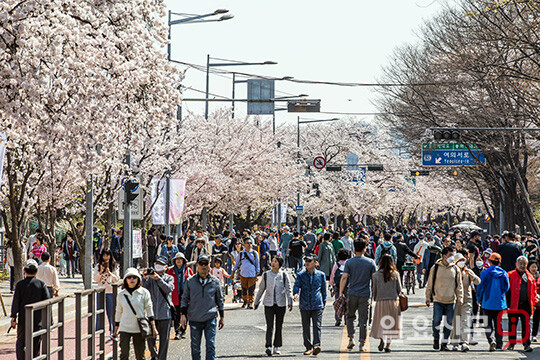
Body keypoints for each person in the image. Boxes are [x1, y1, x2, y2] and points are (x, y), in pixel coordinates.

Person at [180, 255, 225, 360]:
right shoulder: (190, 281)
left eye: (206, 264)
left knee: (210, 345)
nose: (204, 266)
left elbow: (220, 299)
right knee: (195, 347)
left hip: (211, 317)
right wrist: (183, 315)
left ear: (210, 265)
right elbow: (185, 298)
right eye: (201, 264)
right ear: (197, 266)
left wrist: (222, 316)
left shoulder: (215, 281)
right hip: (195, 318)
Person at [339, 239, 377, 352]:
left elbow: (344, 277)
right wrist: (375, 293)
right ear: (365, 249)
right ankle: (362, 343)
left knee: (350, 317)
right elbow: (374, 279)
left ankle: (351, 338)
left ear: (354, 249)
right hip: (365, 295)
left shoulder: (349, 262)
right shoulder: (370, 262)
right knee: (363, 320)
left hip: (352, 293)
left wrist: (341, 293)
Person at [425, 246, 463, 351]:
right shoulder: (436, 267)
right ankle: (436, 339)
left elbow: (459, 285)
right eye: (450, 255)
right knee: (436, 321)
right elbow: (430, 283)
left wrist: (460, 297)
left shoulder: (455, 269)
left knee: (448, 324)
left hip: (451, 301)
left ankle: (444, 344)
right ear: (444, 256)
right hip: (438, 300)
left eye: (453, 255)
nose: (452, 257)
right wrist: (428, 297)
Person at [113, 268, 157, 360]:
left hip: (139, 329)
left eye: (134, 277)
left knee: (140, 355)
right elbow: (118, 311)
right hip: (125, 328)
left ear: (138, 279)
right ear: (125, 280)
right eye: (129, 277)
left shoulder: (144, 292)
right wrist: (116, 329)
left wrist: (153, 327)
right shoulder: (121, 294)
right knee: (124, 355)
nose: (132, 279)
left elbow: (149, 310)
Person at [254, 255, 293, 356]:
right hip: (268, 304)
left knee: (279, 326)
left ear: (279, 264)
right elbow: (261, 289)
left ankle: (276, 346)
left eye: (275, 261)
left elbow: (288, 289)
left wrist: (290, 301)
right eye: (272, 261)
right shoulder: (266, 275)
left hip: (281, 304)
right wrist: (256, 301)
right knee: (269, 325)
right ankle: (268, 346)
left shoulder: (283, 275)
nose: (273, 263)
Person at [11, 259, 51, 360]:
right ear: (37, 271)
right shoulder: (41, 284)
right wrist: (49, 319)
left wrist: (13, 317)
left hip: (23, 319)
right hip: (38, 320)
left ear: (24, 270)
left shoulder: (20, 285)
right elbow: (47, 302)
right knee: (36, 343)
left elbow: (16, 302)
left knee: (21, 342)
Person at [293, 254, 327, 356]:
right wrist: (295, 294)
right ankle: (308, 347)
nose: (307, 262)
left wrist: (324, 302)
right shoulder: (301, 275)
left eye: (309, 261)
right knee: (306, 326)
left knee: (317, 326)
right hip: (305, 304)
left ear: (316, 263)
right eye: (306, 260)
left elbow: (323, 290)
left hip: (317, 304)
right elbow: (296, 286)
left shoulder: (321, 275)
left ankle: (316, 345)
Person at [475, 252, 509, 351]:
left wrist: (479, 298)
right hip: (499, 303)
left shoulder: (484, 273)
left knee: (487, 323)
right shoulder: (504, 273)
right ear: (499, 262)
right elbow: (506, 287)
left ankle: (491, 340)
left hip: (487, 302)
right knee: (499, 324)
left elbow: (480, 287)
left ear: (489, 261)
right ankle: (499, 344)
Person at [143, 256, 175, 360]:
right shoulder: (150, 279)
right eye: (156, 263)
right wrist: (144, 277)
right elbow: (143, 290)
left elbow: (169, 289)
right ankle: (154, 356)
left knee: (164, 340)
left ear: (166, 267)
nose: (158, 265)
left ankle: (162, 358)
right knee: (150, 338)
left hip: (164, 313)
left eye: (160, 264)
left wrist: (158, 279)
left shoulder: (169, 278)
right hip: (151, 314)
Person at [371, 254, 402, 353]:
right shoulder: (395, 274)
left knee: (381, 322)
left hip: (381, 301)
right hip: (393, 301)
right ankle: (388, 345)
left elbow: (374, 289)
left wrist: (375, 298)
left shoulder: (375, 275)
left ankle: (381, 339)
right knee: (391, 323)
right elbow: (399, 289)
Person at [449, 251, 480, 352]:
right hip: (455, 300)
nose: (462, 262)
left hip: (467, 299)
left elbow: (478, 281)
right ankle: (454, 342)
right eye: (459, 260)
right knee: (455, 322)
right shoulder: (452, 271)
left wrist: (472, 276)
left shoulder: (468, 272)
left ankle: (464, 342)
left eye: (463, 260)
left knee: (465, 321)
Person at [506, 256, 536, 352]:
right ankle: (511, 344)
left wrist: (534, 303)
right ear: (516, 264)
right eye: (520, 264)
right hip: (513, 304)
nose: (522, 266)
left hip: (526, 304)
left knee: (526, 325)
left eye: (524, 264)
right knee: (512, 324)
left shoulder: (530, 277)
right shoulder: (510, 275)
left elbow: (534, 292)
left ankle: (526, 344)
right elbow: (505, 290)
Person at [93, 249, 120, 336]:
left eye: (107, 255)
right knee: (99, 310)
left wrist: (110, 273)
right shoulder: (98, 266)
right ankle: (98, 329)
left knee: (111, 311)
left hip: (111, 291)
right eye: (104, 255)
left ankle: (112, 329)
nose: (106, 258)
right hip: (101, 290)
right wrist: (100, 272)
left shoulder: (114, 266)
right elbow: (95, 279)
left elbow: (117, 279)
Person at [167, 252, 193, 340]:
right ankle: (177, 332)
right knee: (176, 314)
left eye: (180, 259)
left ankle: (183, 330)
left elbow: (193, 282)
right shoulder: (171, 271)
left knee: (185, 313)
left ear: (183, 261)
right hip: (175, 295)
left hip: (185, 294)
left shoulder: (188, 270)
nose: (178, 260)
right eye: (177, 259)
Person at [233, 239, 259, 309]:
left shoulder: (254, 253)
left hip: (252, 274)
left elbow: (257, 264)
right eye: (247, 243)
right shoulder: (241, 254)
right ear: (244, 244)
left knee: (251, 289)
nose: (249, 244)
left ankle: (250, 303)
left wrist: (257, 274)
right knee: (244, 289)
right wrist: (232, 274)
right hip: (243, 274)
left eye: (250, 243)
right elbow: (236, 264)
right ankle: (245, 301)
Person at [330, 248, 350, 326]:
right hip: (347, 286)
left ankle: (338, 318)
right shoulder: (348, 264)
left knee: (338, 301)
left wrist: (332, 285)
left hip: (338, 286)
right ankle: (346, 319)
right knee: (347, 303)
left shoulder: (336, 264)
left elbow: (333, 275)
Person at [529, 260, 540, 342]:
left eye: (535, 267)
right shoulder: (526, 276)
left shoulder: (539, 277)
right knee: (527, 320)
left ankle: (534, 335)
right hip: (528, 301)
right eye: (532, 267)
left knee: (536, 319)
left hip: (538, 302)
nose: (534, 268)